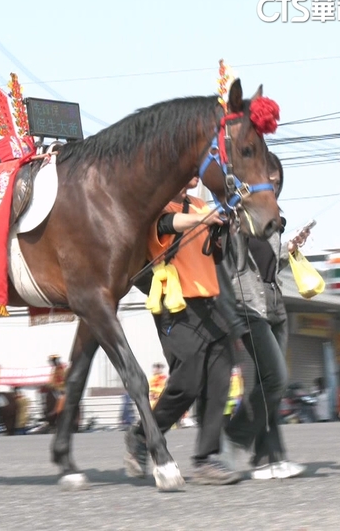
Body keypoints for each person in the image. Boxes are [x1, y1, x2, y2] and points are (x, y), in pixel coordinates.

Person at [125, 176, 240, 485]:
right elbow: (166, 225)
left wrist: (221, 230)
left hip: (209, 304)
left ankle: (206, 459)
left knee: (220, 377)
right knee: (187, 383)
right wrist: (203, 217)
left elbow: (213, 254)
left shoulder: (200, 204)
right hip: (175, 305)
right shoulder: (154, 207)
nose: (195, 173)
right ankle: (141, 435)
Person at [220, 151, 308, 480]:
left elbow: (267, 267)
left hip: (274, 308)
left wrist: (289, 250)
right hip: (247, 309)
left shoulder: (274, 221)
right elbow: (235, 263)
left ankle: (269, 458)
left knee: (267, 386)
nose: (274, 182)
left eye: (278, 178)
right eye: (269, 176)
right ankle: (235, 436)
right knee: (276, 379)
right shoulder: (237, 214)